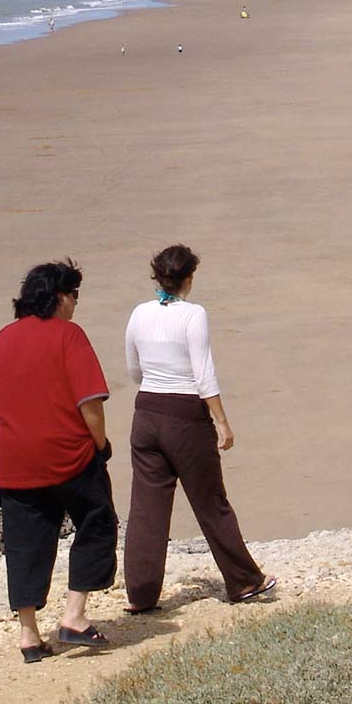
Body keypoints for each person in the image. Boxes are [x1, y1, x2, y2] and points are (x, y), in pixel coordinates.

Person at [0, 259, 118, 662]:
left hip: (15, 458)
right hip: (68, 453)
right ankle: (73, 616)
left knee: (24, 544)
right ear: (58, 298)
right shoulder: (69, 336)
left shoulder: (3, 338)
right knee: (98, 520)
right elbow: (89, 399)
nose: (76, 303)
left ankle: (28, 636)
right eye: (74, 295)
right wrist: (100, 443)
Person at [123, 245, 275, 612]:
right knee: (210, 501)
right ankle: (244, 581)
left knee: (147, 507)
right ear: (188, 278)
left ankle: (141, 595)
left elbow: (134, 369)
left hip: (145, 412)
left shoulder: (139, 313)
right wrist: (221, 421)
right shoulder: (193, 315)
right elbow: (203, 373)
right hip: (184, 414)